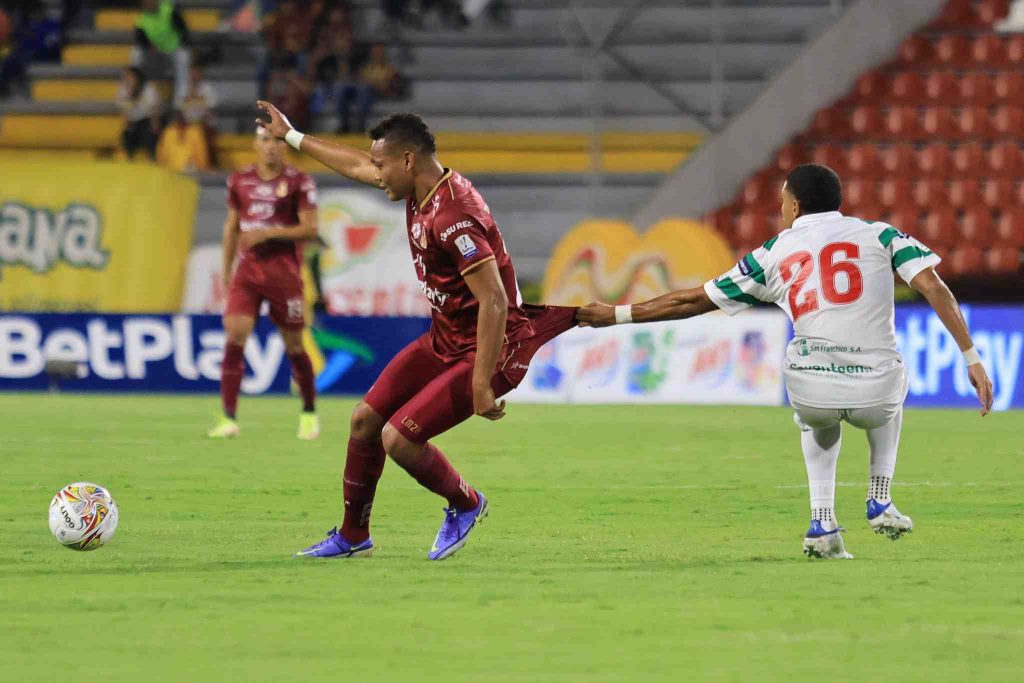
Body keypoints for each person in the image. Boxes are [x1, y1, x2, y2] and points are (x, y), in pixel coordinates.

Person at [577, 163, 995, 560]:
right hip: (877, 391)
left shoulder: (773, 252)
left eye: (782, 202)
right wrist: (970, 357)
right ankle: (880, 496)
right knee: (891, 373)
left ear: (794, 206)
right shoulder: (880, 235)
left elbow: (692, 301)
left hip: (811, 386)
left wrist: (615, 314)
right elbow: (932, 286)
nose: (780, 209)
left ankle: (821, 524)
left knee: (817, 414)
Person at [256, 100, 579, 561]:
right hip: (445, 339)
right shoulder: (418, 191)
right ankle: (353, 536)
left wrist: (482, 382)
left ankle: (466, 503)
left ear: (408, 160)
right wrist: (291, 136)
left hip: (488, 350)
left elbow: (494, 300)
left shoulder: (454, 216)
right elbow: (353, 166)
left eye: (381, 164)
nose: (375, 173)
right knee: (365, 421)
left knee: (400, 437)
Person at [208, 127, 321, 441]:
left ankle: (309, 412)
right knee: (235, 335)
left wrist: (269, 233)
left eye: (277, 141)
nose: (271, 147)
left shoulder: (299, 181)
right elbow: (231, 227)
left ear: (285, 147)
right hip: (248, 274)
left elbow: (311, 229)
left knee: (295, 346)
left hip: (284, 275)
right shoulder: (239, 180)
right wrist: (227, 267)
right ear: (255, 144)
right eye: (265, 140)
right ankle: (228, 418)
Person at [133, 0, 192, 102]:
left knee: (183, 56)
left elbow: (183, 28)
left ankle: (181, 96)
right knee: (135, 53)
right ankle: (137, 89)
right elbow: (140, 38)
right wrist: (150, 47)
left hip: (173, 50)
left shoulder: (168, 10)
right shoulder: (141, 18)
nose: (147, 4)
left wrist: (181, 44)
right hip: (154, 51)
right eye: (145, 3)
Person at [115, 66, 161, 160]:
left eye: (130, 77)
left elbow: (154, 108)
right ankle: (129, 156)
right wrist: (129, 92)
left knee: (150, 133)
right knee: (126, 134)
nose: (127, 79)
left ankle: (153, 156)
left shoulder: (148, 88)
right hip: (132, 120)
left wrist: (155, 124)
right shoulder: (123, 90)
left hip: (147, 119)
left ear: (137, 78)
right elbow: (123, 110)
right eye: (125, 77)